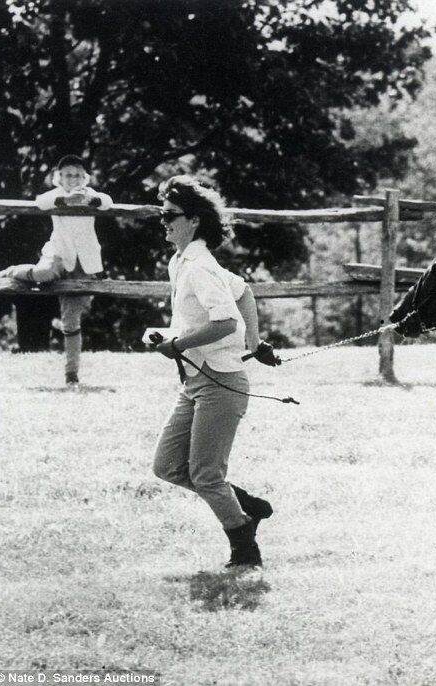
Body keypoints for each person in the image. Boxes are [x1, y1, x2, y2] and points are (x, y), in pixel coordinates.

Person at [151, 174, 275, 569]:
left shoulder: (199, 266)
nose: (164, 222)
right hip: (196, 381)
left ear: (195, 220)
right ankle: (247, 505)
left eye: (170, 215)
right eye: (162, 214)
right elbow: (242, 291)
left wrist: (178, 345)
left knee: (205, 475)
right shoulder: (182, 261)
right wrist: (255, 344)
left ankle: (244, 546)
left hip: (220, 382)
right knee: (168, 466)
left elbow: (225, 322)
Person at [0, 155, 113, 384]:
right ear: (60, 178)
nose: (73, 179)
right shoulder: (55, 194)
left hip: (83, 264)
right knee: (43, 274)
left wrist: (92, 200)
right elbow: (42, 202)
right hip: (58, 254)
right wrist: (65, 199)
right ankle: (12, 271)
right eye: (68, 175)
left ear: (84, 177)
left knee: (71, 320)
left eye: (77, 175)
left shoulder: (91, 195)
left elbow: (106, 201)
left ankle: (71, 374)